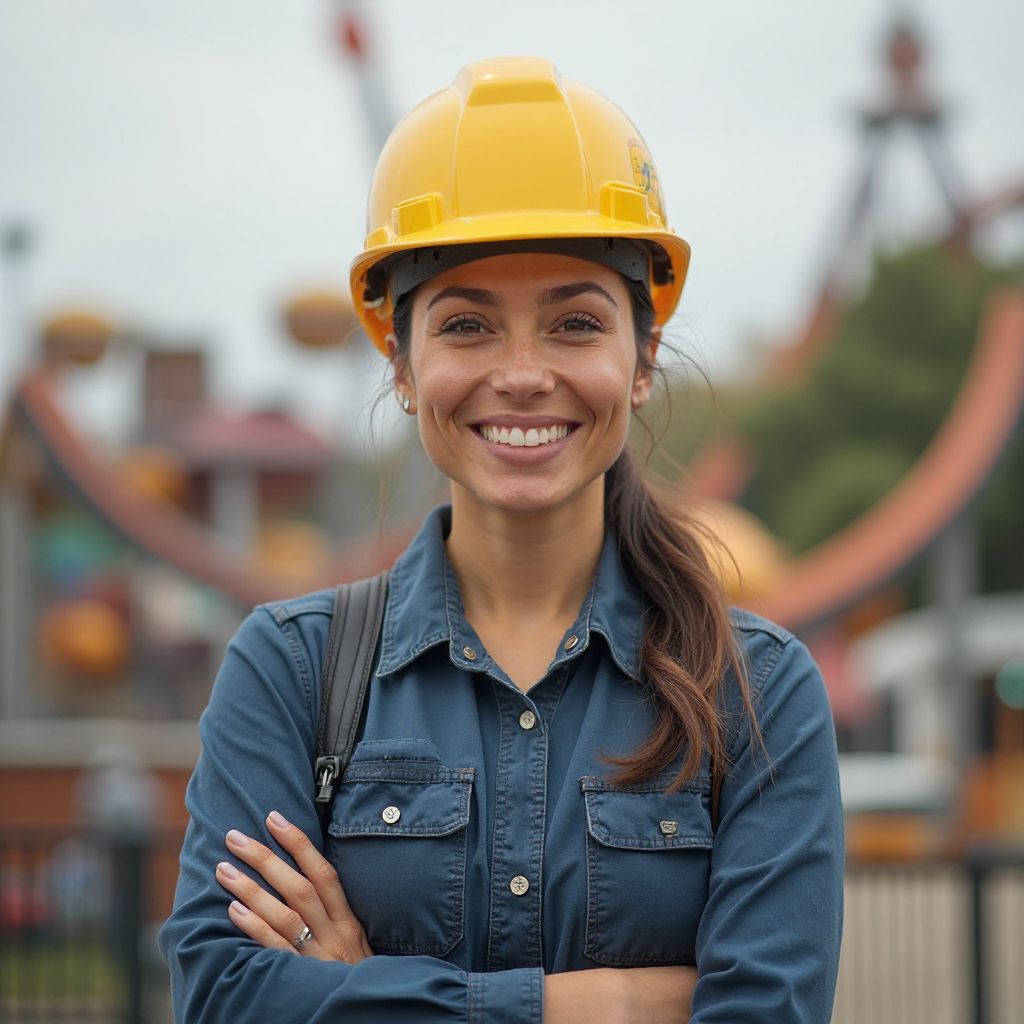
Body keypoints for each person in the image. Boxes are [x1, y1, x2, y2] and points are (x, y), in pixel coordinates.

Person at [159, 56, 844, 1023]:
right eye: (469, 324)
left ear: (642, 361)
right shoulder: (291, 673)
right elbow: (227, 999)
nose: (522, 375)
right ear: (401, 362)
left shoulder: (757, 696)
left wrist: (356, 990)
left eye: (574, 323)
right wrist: (608, 1003)